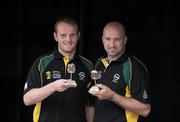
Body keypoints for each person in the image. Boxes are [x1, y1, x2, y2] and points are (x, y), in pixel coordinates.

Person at [23, 17, 94, 122]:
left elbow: (90, 104)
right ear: (55, 36)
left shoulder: (88, 65)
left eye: (72, 35)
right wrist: (54, 86)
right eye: (63, 35)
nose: (68, 40)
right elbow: (27, 99)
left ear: (78, 36)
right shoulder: (42, 62)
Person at [89, 21, 151, 122]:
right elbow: (92, 102)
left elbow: (145, 109)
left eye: (117, 39)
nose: (112, 44)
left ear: (125, 40)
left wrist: (113, 96)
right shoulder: (99, 63)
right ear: (102, 39)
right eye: (108, 39)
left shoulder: (134, 67)